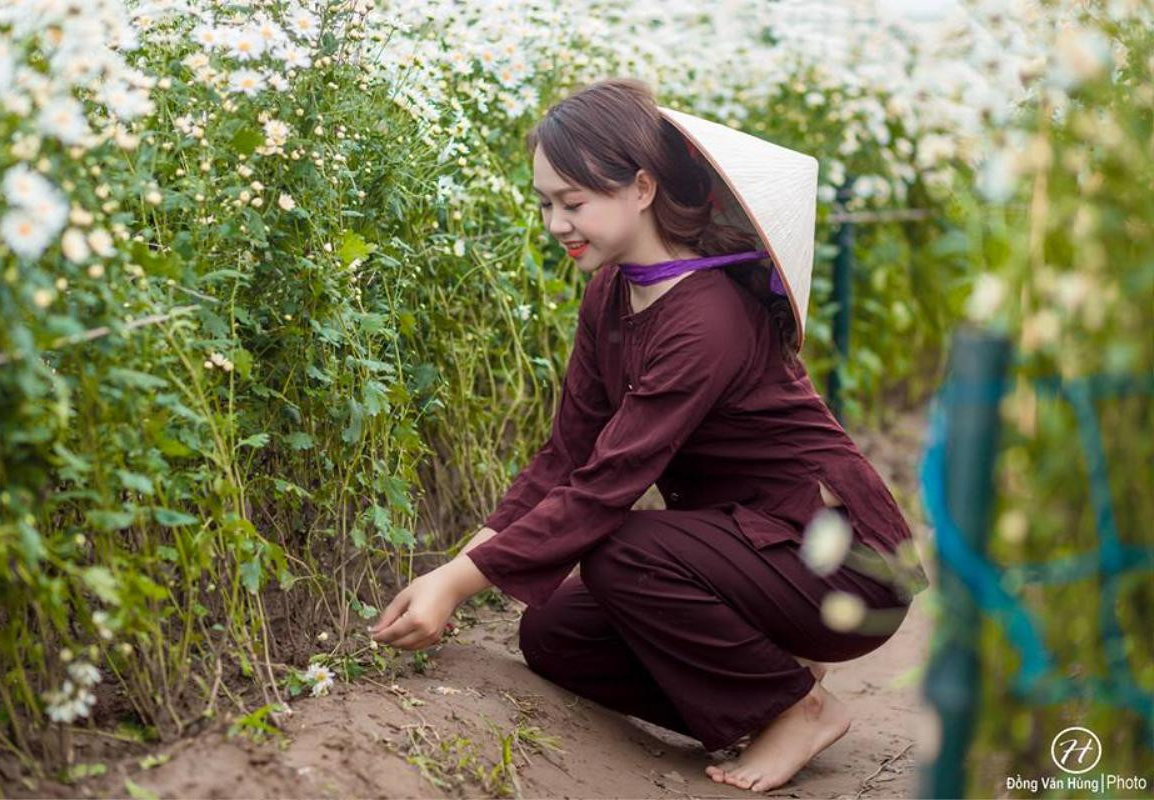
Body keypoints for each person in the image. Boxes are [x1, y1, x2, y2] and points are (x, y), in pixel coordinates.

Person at [368, 77, 929, 793]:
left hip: (844, 564)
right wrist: (453, 570)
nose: (556, 224)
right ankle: (768, 685)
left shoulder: (707, 316)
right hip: (755, 549)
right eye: (545, 204)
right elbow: (565, 458)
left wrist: (456, 584)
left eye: (574, 202)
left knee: (622, 551)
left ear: (640, 187)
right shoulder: (611, 292)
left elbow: (605, 489)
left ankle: (798, 708)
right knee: (553, 634)